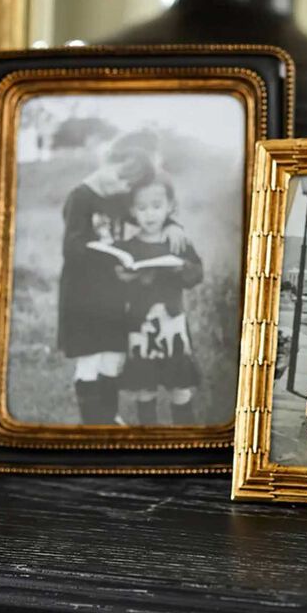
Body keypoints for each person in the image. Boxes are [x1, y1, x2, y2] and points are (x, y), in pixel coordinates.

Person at [56, 140, 185, 425]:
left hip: (112, 292)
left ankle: (109, 417)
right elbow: (71, 248)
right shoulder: (80, 197)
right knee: (90, 358)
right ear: (106, 160)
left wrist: (173, 225)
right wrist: (106, 253)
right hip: (82, 295)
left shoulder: (116, 195)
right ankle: (93, 424)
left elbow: (148, 217)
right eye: (119, 179)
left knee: (113, 356)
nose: (122, 188)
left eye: (128, 186)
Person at [115, 173, 204, 425]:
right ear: (132, 211)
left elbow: (197, 274)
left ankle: (186, 441)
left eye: (156, 206)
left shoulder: (177, 241)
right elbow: (115, 284)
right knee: (145, 390)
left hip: (172, 326)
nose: (150, 214)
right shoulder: (127, 247)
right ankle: (149, 442)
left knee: (180, 388)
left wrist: (182, 268)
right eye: (142, 208)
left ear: (169, 206)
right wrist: (123, 278)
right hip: (140, 328)